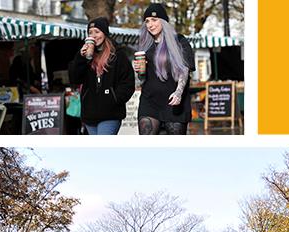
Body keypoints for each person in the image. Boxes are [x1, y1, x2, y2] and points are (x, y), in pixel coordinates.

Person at [133, 4, 195, 135]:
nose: (150, 24)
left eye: (154, 20)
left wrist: (178, 93)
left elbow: (185, 69)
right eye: (147, 21)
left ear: (164, 22)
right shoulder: (146, 46)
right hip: (149, 102)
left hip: (174, 104)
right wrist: (139, 71)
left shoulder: (180, 41)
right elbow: (143, 79)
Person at [66, 17, 134, 135]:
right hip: (90, 116)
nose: (94, 36)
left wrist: (114, 98)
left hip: (111, 114)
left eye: (97, 32)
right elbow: (74, 78)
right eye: (90, 33)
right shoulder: (84, 55)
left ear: (105, 33)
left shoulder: (118, 56)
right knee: (98, 151)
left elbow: (128, 83)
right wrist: (81, 58)